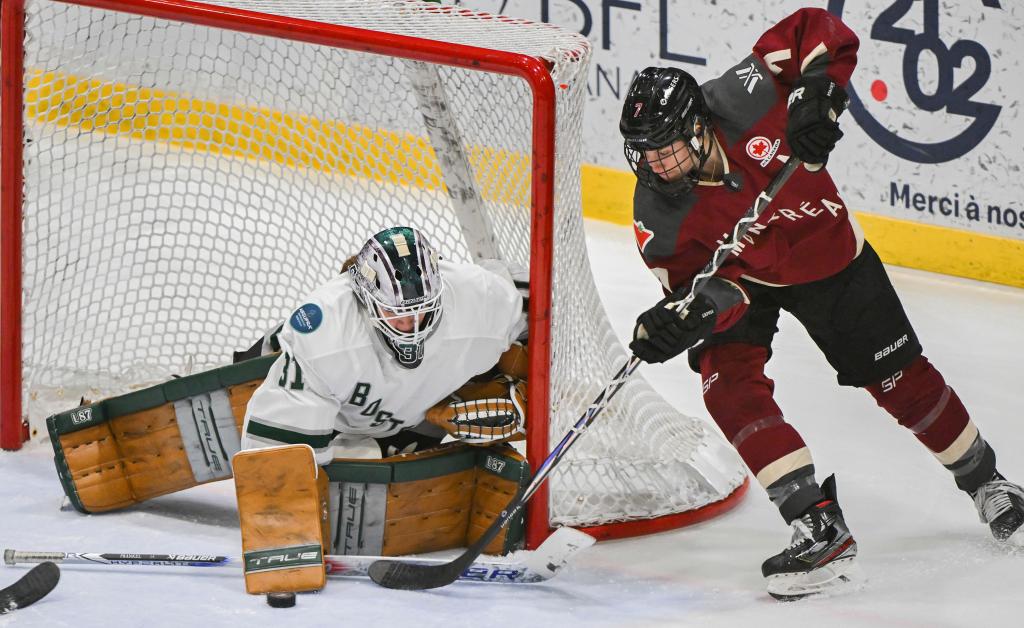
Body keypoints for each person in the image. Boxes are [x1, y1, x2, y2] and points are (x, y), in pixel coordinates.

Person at [617, 8, 1023, 601]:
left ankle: (990, 485)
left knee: (901, 379)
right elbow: (709, 289)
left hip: (827, 257)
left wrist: (815, 92)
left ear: (699, 125)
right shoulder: (657, 217)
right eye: (644, 155)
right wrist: (691, 316)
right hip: (745, 279)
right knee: (724, 382)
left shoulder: (745, 95)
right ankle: (816, 523)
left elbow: (814, 28)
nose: (655, 167)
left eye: (667, 150)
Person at [239, 225, 529, 463]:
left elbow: (541, 307)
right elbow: (277, 466)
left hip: (401, 416)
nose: (410, 324)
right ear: (367, 300)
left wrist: (533, 395)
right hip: (287, 383)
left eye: (421, 309)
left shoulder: (478, 299)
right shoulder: (328, 334)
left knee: (383, 468)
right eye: (395, 312)